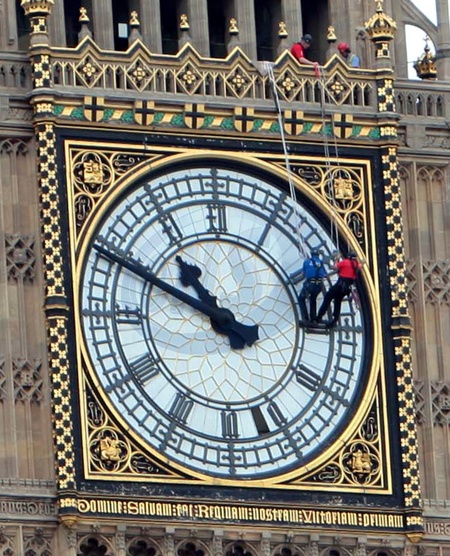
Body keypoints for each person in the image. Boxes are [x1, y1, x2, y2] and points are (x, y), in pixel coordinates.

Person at [316, 250, 363, 328]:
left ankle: (319, 316)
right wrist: (363, 262)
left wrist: (336, 259)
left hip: (339, 285)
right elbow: (360, 266)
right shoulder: (356, 264)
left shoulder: (345, 262)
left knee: (328, 297)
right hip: (346, 289)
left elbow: (335, 267)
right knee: (338, 301)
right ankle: (335, 319)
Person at [298, 250, 327, 325]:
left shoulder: (307, 262)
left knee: (301, 298)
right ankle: (313, 319)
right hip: (319, 285)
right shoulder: (321, 262)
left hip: (310, 284)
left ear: (311, 254)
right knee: (313, 299)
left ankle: (305, 319)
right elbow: (324, 274)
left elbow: (303, 274)